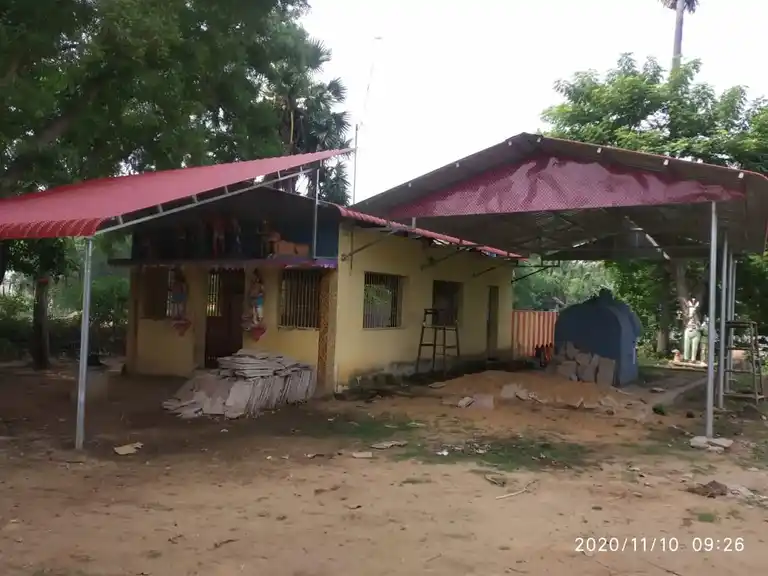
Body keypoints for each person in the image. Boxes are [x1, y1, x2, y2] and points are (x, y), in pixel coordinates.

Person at [683, 297, 701, 362]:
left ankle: (693, 359)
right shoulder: (686, 313)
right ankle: (686, 358)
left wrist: (695, 316)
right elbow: (684, 322)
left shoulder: (698, 315)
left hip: (695, 330)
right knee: (686, 346)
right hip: (688, 330)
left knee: (694, 347)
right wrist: (689, 317)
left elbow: (699, 324)